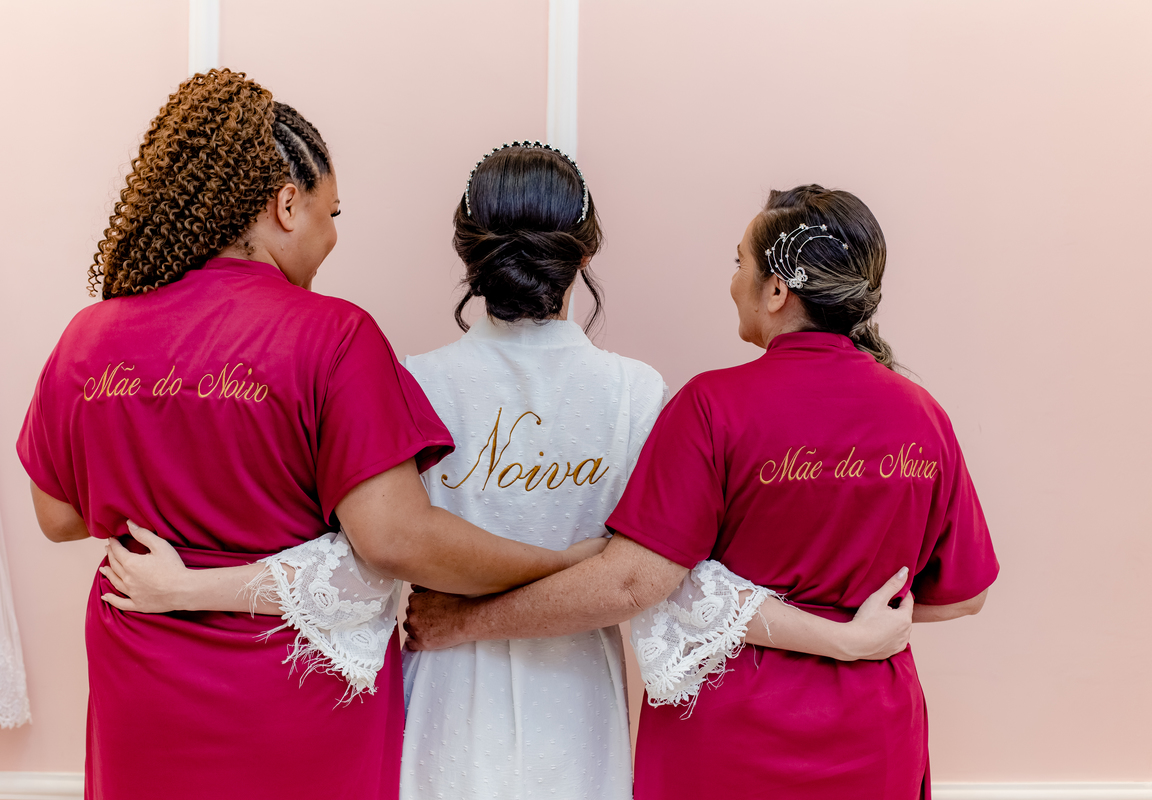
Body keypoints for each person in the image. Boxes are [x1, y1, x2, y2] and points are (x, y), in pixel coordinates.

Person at [100, 151, 913, 799]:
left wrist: (193, 588)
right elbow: (659, 576)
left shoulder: (409, 381)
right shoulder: (638, 395)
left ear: (468, 252)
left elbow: (360, 556)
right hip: (580, 706)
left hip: (441, 702)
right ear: (583, 254)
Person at [16, 73, 603, 800]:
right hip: (293, 697)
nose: (332, 237)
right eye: (332, 212)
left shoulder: (89, 335)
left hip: (141, 686)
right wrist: (554, 565)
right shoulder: (333, 335)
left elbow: (58, 516)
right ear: (286, 205)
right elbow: (394, 539)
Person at [404, 185, 999, 800]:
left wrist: (464, 621)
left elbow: (634, 582)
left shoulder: (713, 407)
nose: (734, 281)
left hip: (731, 737)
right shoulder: (925, 417)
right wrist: (850, 627)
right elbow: (966, 594)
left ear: (776, 291)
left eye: (740, 262)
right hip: (876, 737)